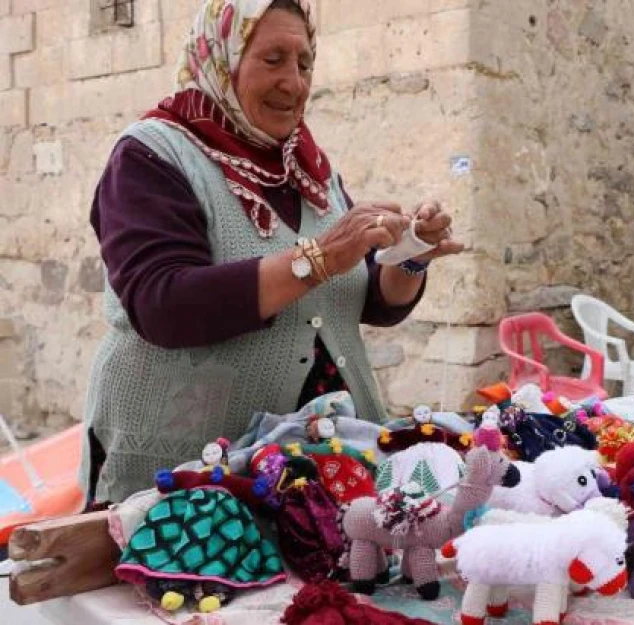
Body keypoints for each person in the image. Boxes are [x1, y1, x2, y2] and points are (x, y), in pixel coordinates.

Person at [80, 0, 462, 505]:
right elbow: (162, 305)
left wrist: (411, 255)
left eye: (304, 63)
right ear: (221, 59)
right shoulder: (152, 157)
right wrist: (319, 257)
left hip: (312, 472)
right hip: (186, 473)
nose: (295, 81)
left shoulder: (307, 166)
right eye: (273, 58)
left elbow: (362, 298)